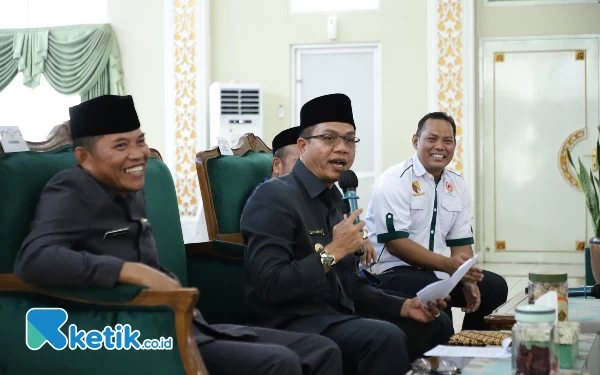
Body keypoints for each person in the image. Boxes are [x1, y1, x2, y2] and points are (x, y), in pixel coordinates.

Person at [13, 95, 343, 375]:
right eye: (120, 145)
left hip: (184, 322)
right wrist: (130, 272)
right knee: (280, 362)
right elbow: (35, 259)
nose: (137, 154)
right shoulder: (71, 188)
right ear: (84, 157)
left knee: (321, 350)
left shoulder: (130, 189)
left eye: (140, 141)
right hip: (131, 333)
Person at [241, 94, 453, 375]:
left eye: (349, 140)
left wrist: (403, 306)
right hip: (289, 320)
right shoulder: (273, 196)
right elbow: (270, 286)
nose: (342, 148)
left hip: (334, 315)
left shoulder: (336, 198)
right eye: (329, 138)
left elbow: (350, 285)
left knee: (433, 323)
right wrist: (335, 250)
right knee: (382, 338)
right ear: (303, 146)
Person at [363, 111, 508, 331]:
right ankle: (443, 357)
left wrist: (466, 277)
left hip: (436, 272)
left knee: (494, 287)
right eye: (432, 139)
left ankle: (468, 347)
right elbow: (396, 243)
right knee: (439, 295)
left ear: (454, 145)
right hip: (390, 272)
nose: (440, 146)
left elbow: (460, 243)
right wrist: (448, 267)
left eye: (447, 141)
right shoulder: (394, 181)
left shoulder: (457, 185)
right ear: (416, 141)